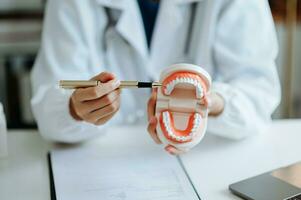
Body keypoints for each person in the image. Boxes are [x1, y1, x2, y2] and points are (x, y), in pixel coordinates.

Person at [31, 0, 281, 155]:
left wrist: (214, 103)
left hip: (207, 163)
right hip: (100, 162)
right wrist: (75, 108)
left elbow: (259, 92)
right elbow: (47, 107)